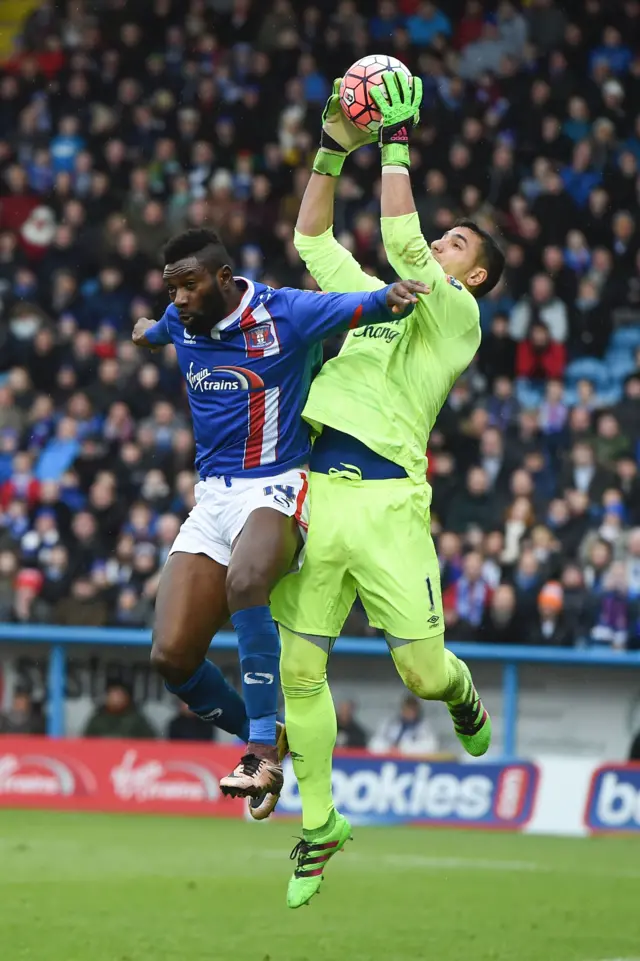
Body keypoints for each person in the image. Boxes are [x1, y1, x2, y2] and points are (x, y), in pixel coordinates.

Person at [270, 73, 504, 907]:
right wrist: (334, 146)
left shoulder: (456, 321)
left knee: (419, 673)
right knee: (302, 666)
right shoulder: (379, 303)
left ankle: (462, 689)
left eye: (457, 246)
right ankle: (320, 823)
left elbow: (403, 242)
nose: (441, 246)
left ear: (472, 280)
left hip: (388, 501)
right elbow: (310, 239)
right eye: (444, 238)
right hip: (318, 487)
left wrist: (397, 137)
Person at [133, 227, 427, 814]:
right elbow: (159, 329)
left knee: (246, 583)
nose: (179, 300)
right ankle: (268, 734)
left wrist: (388, 296)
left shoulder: (283, 312)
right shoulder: (181, 321)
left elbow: (350, 305)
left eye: (189, 286)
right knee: (171, 657)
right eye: (171, 290)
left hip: (275, 485)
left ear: (223, 279)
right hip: (212, 499)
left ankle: (261, 751)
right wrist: (146, 334)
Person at [83, 681, 157, 739]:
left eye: (119, 695)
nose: (116, 699)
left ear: (127, 698)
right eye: (112, 695)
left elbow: (151, 743)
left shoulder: (137, 720)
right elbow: (85, 742)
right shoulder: (97, 719)